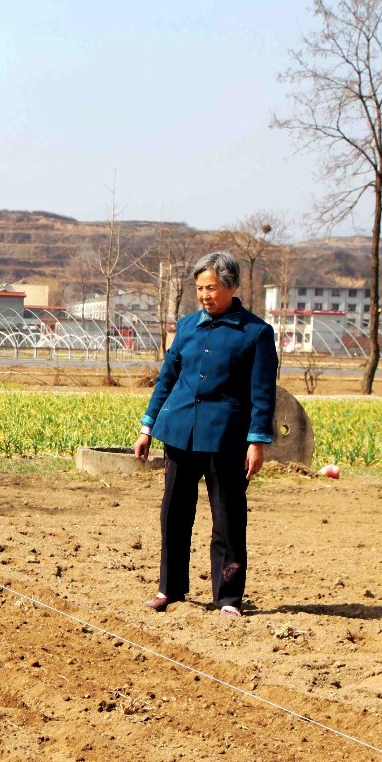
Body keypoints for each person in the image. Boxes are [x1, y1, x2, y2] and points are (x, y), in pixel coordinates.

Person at [133, 251, 277, 618]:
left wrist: (257, 441)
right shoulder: (186, 327)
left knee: (228, 519)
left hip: (227, 440)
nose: (204, 295)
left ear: (230, 286)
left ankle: (227, 598)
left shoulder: (256, 333)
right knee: (174, 514)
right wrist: (147, 426)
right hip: (179, 433)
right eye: (199, 288)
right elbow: (167, 377)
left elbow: (263, 392)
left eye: (211, 287)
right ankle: (171, 588)